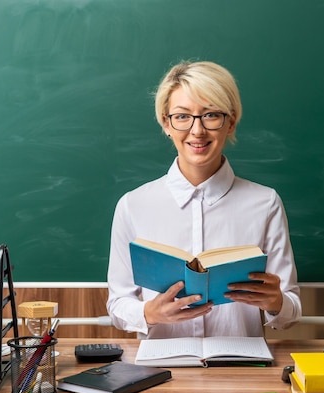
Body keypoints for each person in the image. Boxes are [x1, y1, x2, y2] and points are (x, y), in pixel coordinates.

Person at [106, 61, 301, 339]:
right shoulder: (133, 205)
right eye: (183, 116)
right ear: (166, 123)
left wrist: (276, 302)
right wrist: (148, 313)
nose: (197, 131)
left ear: (230, 123)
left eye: (210, 115)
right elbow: (118, 304)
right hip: (160, 369)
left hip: (240, 368)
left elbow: (291, 308)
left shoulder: (265, 203)